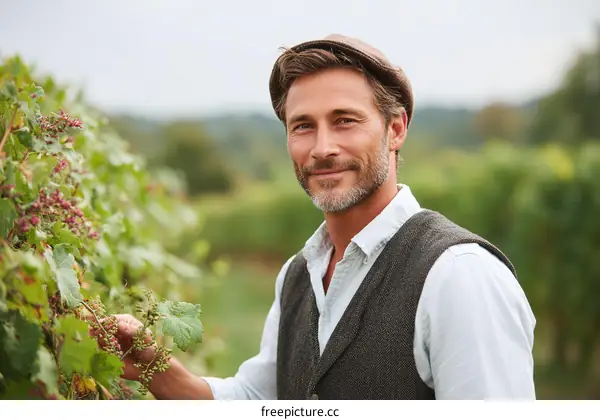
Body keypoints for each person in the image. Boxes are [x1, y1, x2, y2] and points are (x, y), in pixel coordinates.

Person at [110, 34, 537, 400]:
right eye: (303, 126)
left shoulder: (460, 277)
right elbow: (260, 398)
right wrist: (160, 371)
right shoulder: (298, 275)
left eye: (345, 120)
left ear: (396, 129)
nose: (322, 148)